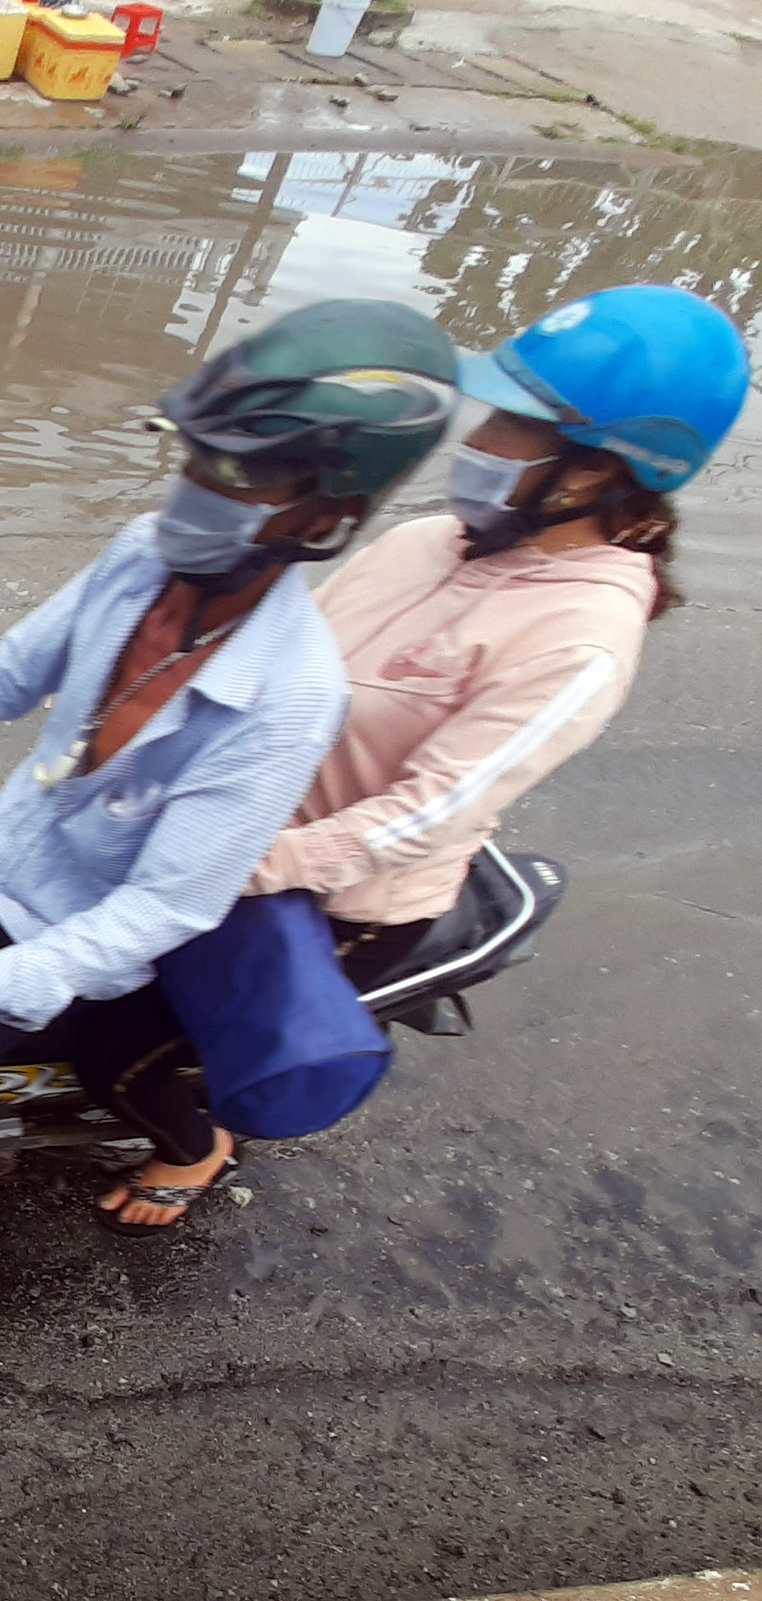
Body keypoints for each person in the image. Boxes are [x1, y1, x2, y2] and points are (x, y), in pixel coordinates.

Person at [0, 300, 462, 1231]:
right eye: (195, 456)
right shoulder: (142, 553)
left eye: (238, 472)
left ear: (328, 507)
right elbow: (9, 675)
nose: (196, 487)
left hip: (54, 941)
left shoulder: (289, 698)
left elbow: (162, 909)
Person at [75, 283, 752, 1231]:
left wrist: (234, 867)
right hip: (220, 823)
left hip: (321, 892)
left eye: (513, 426)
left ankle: (193, 1149)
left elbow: (422, 814)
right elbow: (274, 653)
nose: (477, 440)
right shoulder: (429, 538)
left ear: (594, 472)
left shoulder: (579, 637)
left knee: (113, 1048)